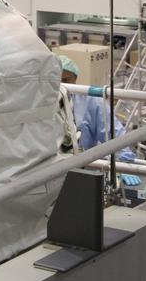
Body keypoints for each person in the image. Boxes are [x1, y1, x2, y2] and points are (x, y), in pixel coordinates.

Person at [58, 55, 140, 186]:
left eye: (65, 80)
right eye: (54, 80)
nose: (59, 86)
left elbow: (113, 133)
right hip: (49, 172)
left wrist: (124, 164)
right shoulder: (40, 102)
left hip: (82, 170)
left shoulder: (90, 101)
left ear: (75, 80)